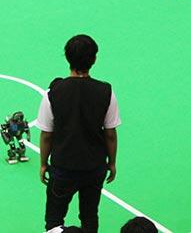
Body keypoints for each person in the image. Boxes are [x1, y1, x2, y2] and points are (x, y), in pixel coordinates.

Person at [37, 34, 121, 233]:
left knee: (54, 219)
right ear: (94, 59)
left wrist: (43, 163)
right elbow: (110, 134)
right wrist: (111, 162)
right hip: (94, 167)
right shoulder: (106, 91)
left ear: (67, 58)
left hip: (63, 168)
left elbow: (46, 135)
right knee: (89, 216)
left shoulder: (53, 93)